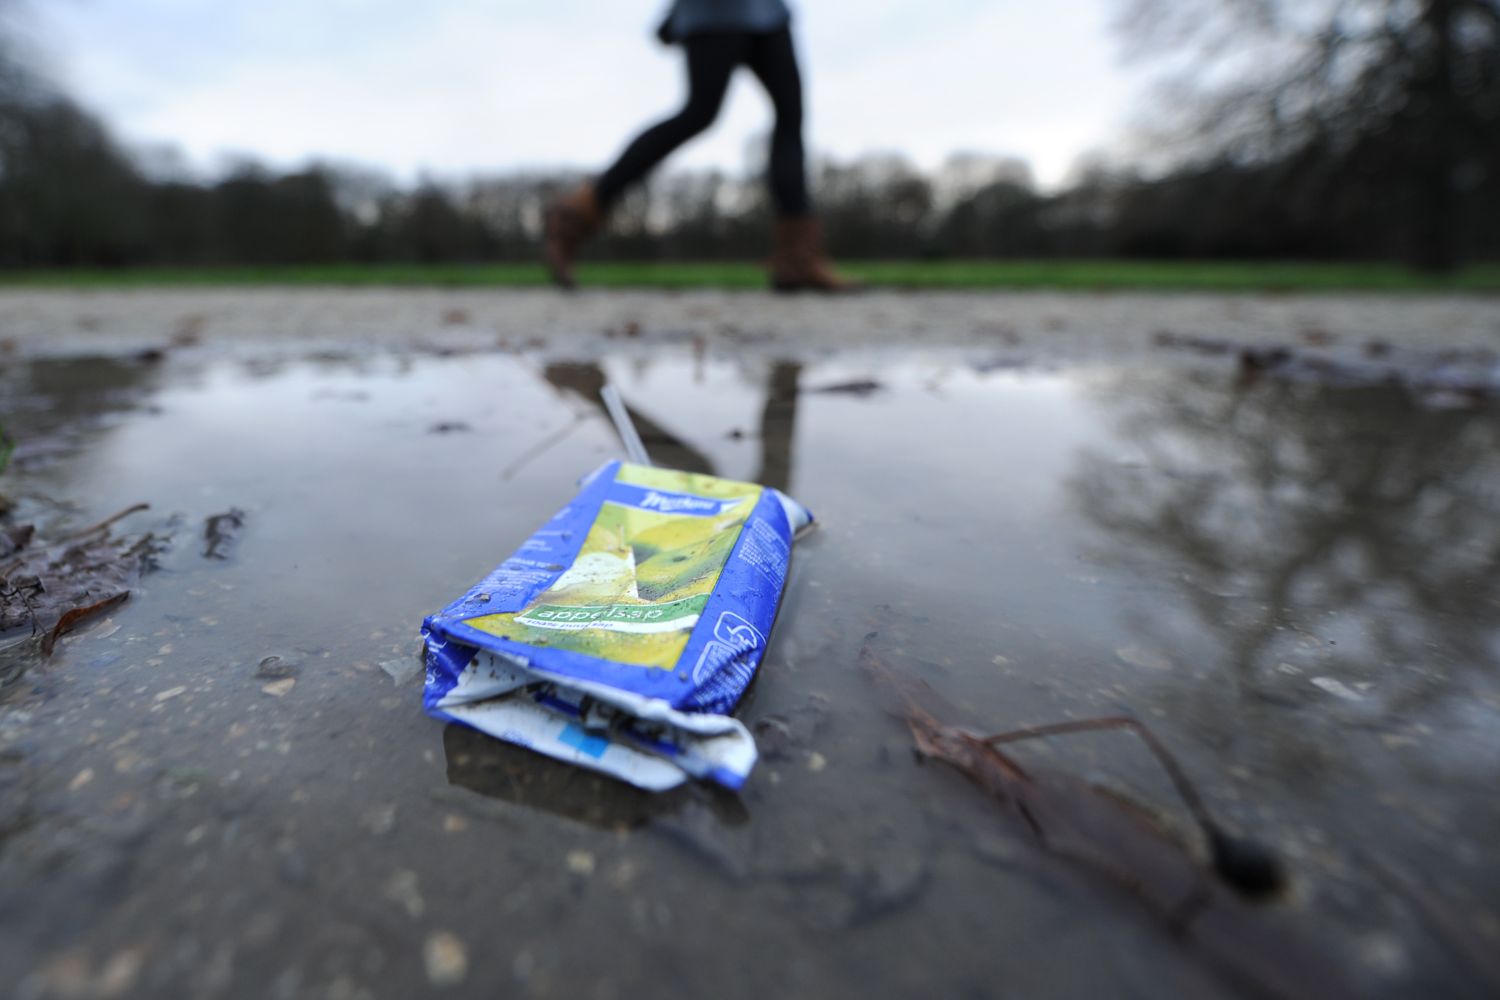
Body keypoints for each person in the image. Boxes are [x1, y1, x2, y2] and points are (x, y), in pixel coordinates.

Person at [543, 0, 857, 292]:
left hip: (766, 13)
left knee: (790, 116)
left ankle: (798, 257)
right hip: (712, 13)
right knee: (698, 114)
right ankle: (578, 212)